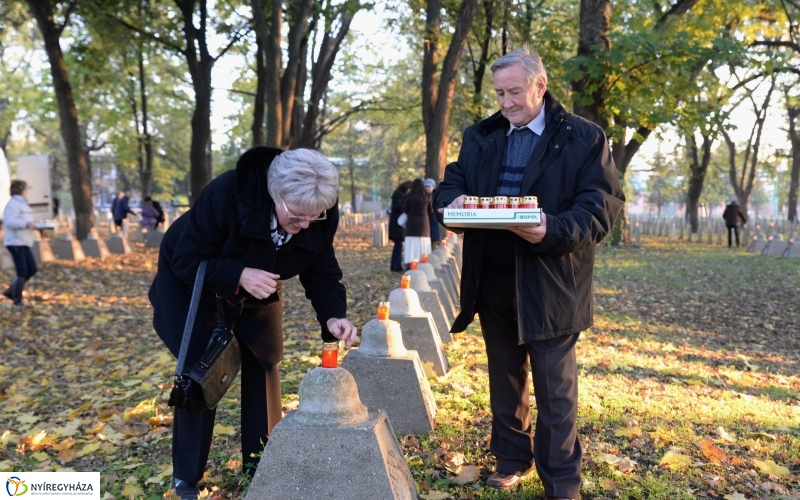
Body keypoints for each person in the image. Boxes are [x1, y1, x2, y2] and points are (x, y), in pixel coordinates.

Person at [433, 47, 624, 500]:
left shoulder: (583, 138)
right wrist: (451, 201)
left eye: (514, 92)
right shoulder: (481, 135)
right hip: (491, 279)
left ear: (540, 85)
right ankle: (512, 459)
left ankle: (561, 484)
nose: (506, 102)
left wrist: (550, 229)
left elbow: (600, 209)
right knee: (505, 379)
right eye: (500, 93)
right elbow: (452, 181)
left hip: (552, 282)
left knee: (556, 393)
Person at [148, 147, 358, 500]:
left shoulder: (318, 210)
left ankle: (261, 463)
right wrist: (239, 274)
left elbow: (322, 271)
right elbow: (186, 259)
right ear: (275, 194)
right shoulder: (226, 194)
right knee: (200, 374)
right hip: (195, 283)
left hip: (261, 284)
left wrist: (333, 316)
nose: (306, 225)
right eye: (297, 215)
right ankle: (186, 477)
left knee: (265, 360)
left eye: (315, 217)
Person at [3, 180, 38, 307]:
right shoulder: (13, 204)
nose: (27, 191)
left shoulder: (23, 204)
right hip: (15, 242)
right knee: (22, 271)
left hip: (24, 241)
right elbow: (9, 221)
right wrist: (26, 224)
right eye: (26, 189)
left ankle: (10, 291)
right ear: (22, 190)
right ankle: (17, 299)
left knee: (32, 269)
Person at [403, 178, 433, 269]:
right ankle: (423, 265)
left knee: (411, 247)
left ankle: (410, 266)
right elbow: (431, 211)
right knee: (423, 246)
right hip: (423, 223)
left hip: (412, 223)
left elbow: (406, 210)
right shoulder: (427, 196)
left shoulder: (409, 196)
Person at [388, 180, 412, 272]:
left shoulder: (399, 194)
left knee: (398, 246)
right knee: (398, 246)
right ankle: (396, 266)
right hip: (397, 225)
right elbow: (398, 207)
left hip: (396, 224)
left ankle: (395, 265)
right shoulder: (399, 195)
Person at [424, 178, 442, 249]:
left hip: (433, 219)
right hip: (425, 219)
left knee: (433, 239)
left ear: (433, 187)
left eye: (429, 186)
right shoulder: (422, 196)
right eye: (426, 186)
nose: (427, 188)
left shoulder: (436, 196)